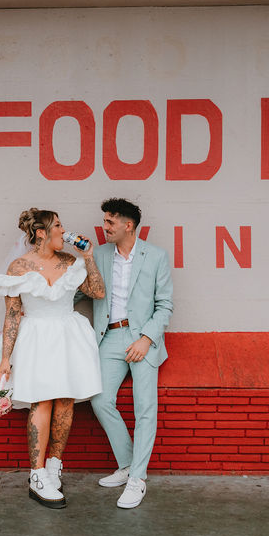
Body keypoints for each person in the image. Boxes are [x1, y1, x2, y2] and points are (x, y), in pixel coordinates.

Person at [0, 208, 105, 509]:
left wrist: (90, 256)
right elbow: (13, 314)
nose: (64, 230)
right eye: (58, 225)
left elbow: (97, 291)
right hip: (36, 339)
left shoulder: (72, 262)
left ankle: (55, 465)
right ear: (41, 232)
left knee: (66, 401)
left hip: (68, 336)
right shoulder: (19, 267)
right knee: (41, 402)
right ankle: (37, 474)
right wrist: (5, 358)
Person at [89, 198, 174, 509]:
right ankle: (128, 464)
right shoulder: (98, 254)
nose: (104, 227)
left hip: (143, 337)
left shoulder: (156, 256)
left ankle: (138, 478)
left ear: (128, 225)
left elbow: (165, 305)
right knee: (99, 399)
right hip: (109, 336)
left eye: (110, 222)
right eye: (105, 221)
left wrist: (146, 338)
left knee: (145, 407)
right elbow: (78, 290)